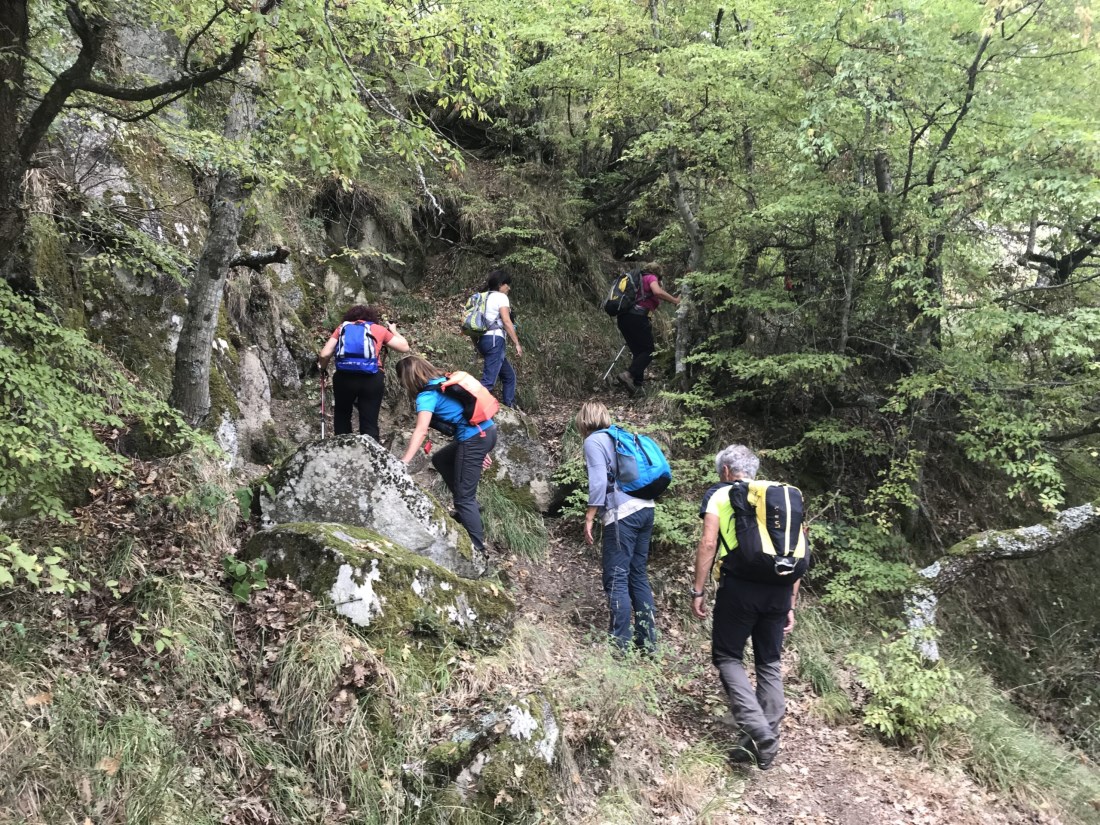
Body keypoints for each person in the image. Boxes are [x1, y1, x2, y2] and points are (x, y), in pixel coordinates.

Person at [689, 444, 804, 770]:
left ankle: (757, 729)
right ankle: (760, 740)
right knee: (769, 661)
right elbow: (796, 552)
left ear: (726, 471)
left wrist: (698, 591)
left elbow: (709, 543)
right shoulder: (778, 500)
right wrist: (790, 602)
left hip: (740, 587)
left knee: (727, 656)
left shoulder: (721, 495)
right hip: (780, 590)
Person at [577, 400, 657, 653]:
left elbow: (599, 482)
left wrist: (590, 515)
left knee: (617, 577)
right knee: (638, 574)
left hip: (622, 514)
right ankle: (647, 643)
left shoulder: (593, 441)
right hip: (646, 508)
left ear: (584, 420)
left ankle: (619, 644)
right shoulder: (620, 436)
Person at [396, 355, 496, 553]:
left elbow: (421, 430)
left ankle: (478, 549)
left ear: (406, 378)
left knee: (463, 499)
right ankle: (471, 508)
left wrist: (404, 461)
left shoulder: (427, 396)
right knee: (441, 459)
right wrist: (479, 449)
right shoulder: (443, 382)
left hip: (474, 438)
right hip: (487, 431)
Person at [318, 305, 410, 441]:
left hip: (344, 377)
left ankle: (342, 450)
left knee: (342, 415)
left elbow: (325, 354)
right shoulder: (378, 329)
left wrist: (323, 370)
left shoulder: (342, 328)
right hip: (372, 377)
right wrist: (393, 330)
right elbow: (404, 347)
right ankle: (371, 456)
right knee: (369, 419)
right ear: (371, 317)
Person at [616, 262, 680, 397]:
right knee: (648, 350)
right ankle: (628, 375)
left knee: (639, 353)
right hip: (637, 318)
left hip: (624, 319)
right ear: (657, 273)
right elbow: (657, 291)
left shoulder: (638, 281)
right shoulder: (650, 277)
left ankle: (636, 387)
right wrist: (675, 300)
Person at [476, 269, 523, 407]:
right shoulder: (501, 297)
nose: (509, 287)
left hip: (482, 341)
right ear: (501, 284)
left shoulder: (482, 297)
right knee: (488, 381)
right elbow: (507, 322)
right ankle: (471, 409)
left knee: (509, 376)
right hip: (495, 340)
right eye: (507, 284)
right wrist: (517, 343)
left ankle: (510, 408)